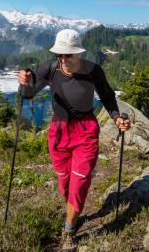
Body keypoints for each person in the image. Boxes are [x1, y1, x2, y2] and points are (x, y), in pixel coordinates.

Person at [18, 29, 130, 251]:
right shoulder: (50, 68)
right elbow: (28, 94)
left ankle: (69, 230)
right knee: (65, 184)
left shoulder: (93, 70)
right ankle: (74, 211)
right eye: (59, 54)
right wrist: (24, 82)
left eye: (68, 55)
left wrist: (117, 118)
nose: (63, 59)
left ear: (78, 53)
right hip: (59, 132)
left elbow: (107, 96)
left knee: (78, 184)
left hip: (85, 132)